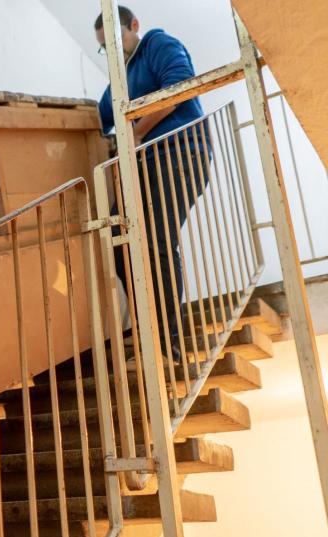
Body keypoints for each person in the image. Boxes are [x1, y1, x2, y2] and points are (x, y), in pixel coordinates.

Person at [95, 6, 209, 356]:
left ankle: (167, 339)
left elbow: (178, 89)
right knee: (117, 239)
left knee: (158, 240)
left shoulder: (158, 44)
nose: (114, 51)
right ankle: (149, 323)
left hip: (181, 154)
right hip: (146, 163)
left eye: (116, 41)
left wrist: (137, 130)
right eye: (105, 47)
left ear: (134, 26)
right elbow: (103, 115)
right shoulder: (123, 72)